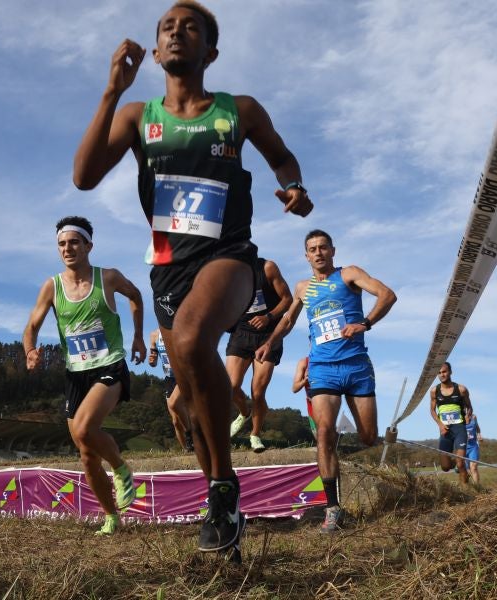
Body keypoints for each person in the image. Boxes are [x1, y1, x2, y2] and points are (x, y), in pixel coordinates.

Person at [72, 1, 313, 553]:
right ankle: (222, 511)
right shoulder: (137, 116)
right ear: (156, 52)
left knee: (187, 337)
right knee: (197, 403)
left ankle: (225, 487)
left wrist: (294, 187)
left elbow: (282, 158)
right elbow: (84, 177)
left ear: (211, 51)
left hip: (229, 255)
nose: (178, 34)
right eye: (167, 28)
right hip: (167, 271)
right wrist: (111, 91)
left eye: (192, 28)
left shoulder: (239, 110)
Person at [256, 229, 396, 533]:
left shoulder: (349, 274)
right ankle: (332, 509)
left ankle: (342, 442)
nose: (318, 252)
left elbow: (387, 295)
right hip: (323, 368)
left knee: (369, 437)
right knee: (323, 432)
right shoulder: (303, 288)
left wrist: (365, 323)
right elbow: (289, 319)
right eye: (312, 249)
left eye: (322, 247)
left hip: (357, 366)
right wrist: (270, 342)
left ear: (332, 250)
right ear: (306, 256)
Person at [23, 216, 146, 536]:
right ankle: (112, 518)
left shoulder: (108, 277)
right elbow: (32, 325)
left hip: (109, 366)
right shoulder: (52, 286)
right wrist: (30, 349)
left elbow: (135, 296)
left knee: (84, 427)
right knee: (86, 453)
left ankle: (121, 468)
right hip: (75, 374)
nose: (68, 249)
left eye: (74, 242)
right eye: (62, 244)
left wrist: (138, 336)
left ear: (89, 245)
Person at [226, 257, 293, 453]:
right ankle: (244, 413)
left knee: (257, 392)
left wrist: (269, 316)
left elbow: (287, 299)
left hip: (269, 334)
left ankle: (255, 435)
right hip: (242, 333)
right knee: (230, 386)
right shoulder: (225, 273)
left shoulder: (267, 267)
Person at [148, 329, 194, 452]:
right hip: (169, 379)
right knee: (175, 421)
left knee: (175, 404)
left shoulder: (180, 329)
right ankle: (187, 450)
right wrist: (152, 361)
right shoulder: (154, 335)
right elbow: (154, 361)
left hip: (184, 375)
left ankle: (191, 434)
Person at [428, 362, 471, 485]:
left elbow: (469, 407)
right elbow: (432, 410)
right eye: (439, 372)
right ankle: (455, 463)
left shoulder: (461, 389)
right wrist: (440, 425)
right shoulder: (434, 391)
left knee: (461, 462)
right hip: (445, 431)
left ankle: (466, 491)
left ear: (450, 372)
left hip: (459, 430)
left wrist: (468, 416)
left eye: (444, 371)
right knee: (445, 467)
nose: (442, 374)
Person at [292, 356, 317, 440]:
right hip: (311, 406)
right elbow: (294, 388)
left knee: (326, 433)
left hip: (327, 403)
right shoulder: (304, 362)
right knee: (318, 436)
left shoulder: (329, 358)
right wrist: (305, 380)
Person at [464, 412, 482, 485]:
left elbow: (477, 428)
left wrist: (479, 435)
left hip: (473, 447)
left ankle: (477, 488)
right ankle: (468, 486)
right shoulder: (459, 422)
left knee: (473, 468)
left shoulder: (473, 419)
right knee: (467, 470)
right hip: (463, 448)